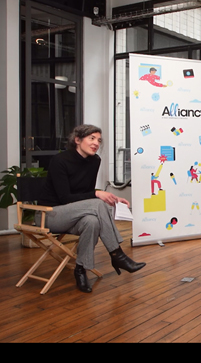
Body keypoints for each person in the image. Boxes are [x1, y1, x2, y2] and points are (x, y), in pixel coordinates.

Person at [37, 124, 146, 293]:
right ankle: (117, 254)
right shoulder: (60, 161)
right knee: (98, 203)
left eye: (99, 140)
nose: (96, 143)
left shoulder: (95, 161)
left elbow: (85, 193)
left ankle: (80, 270)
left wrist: (113, 198)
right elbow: (65, 198)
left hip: (75, 214)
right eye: (92, 138)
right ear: (77, 140)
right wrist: (97, 194)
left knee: (92, 222)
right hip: (50, 214)